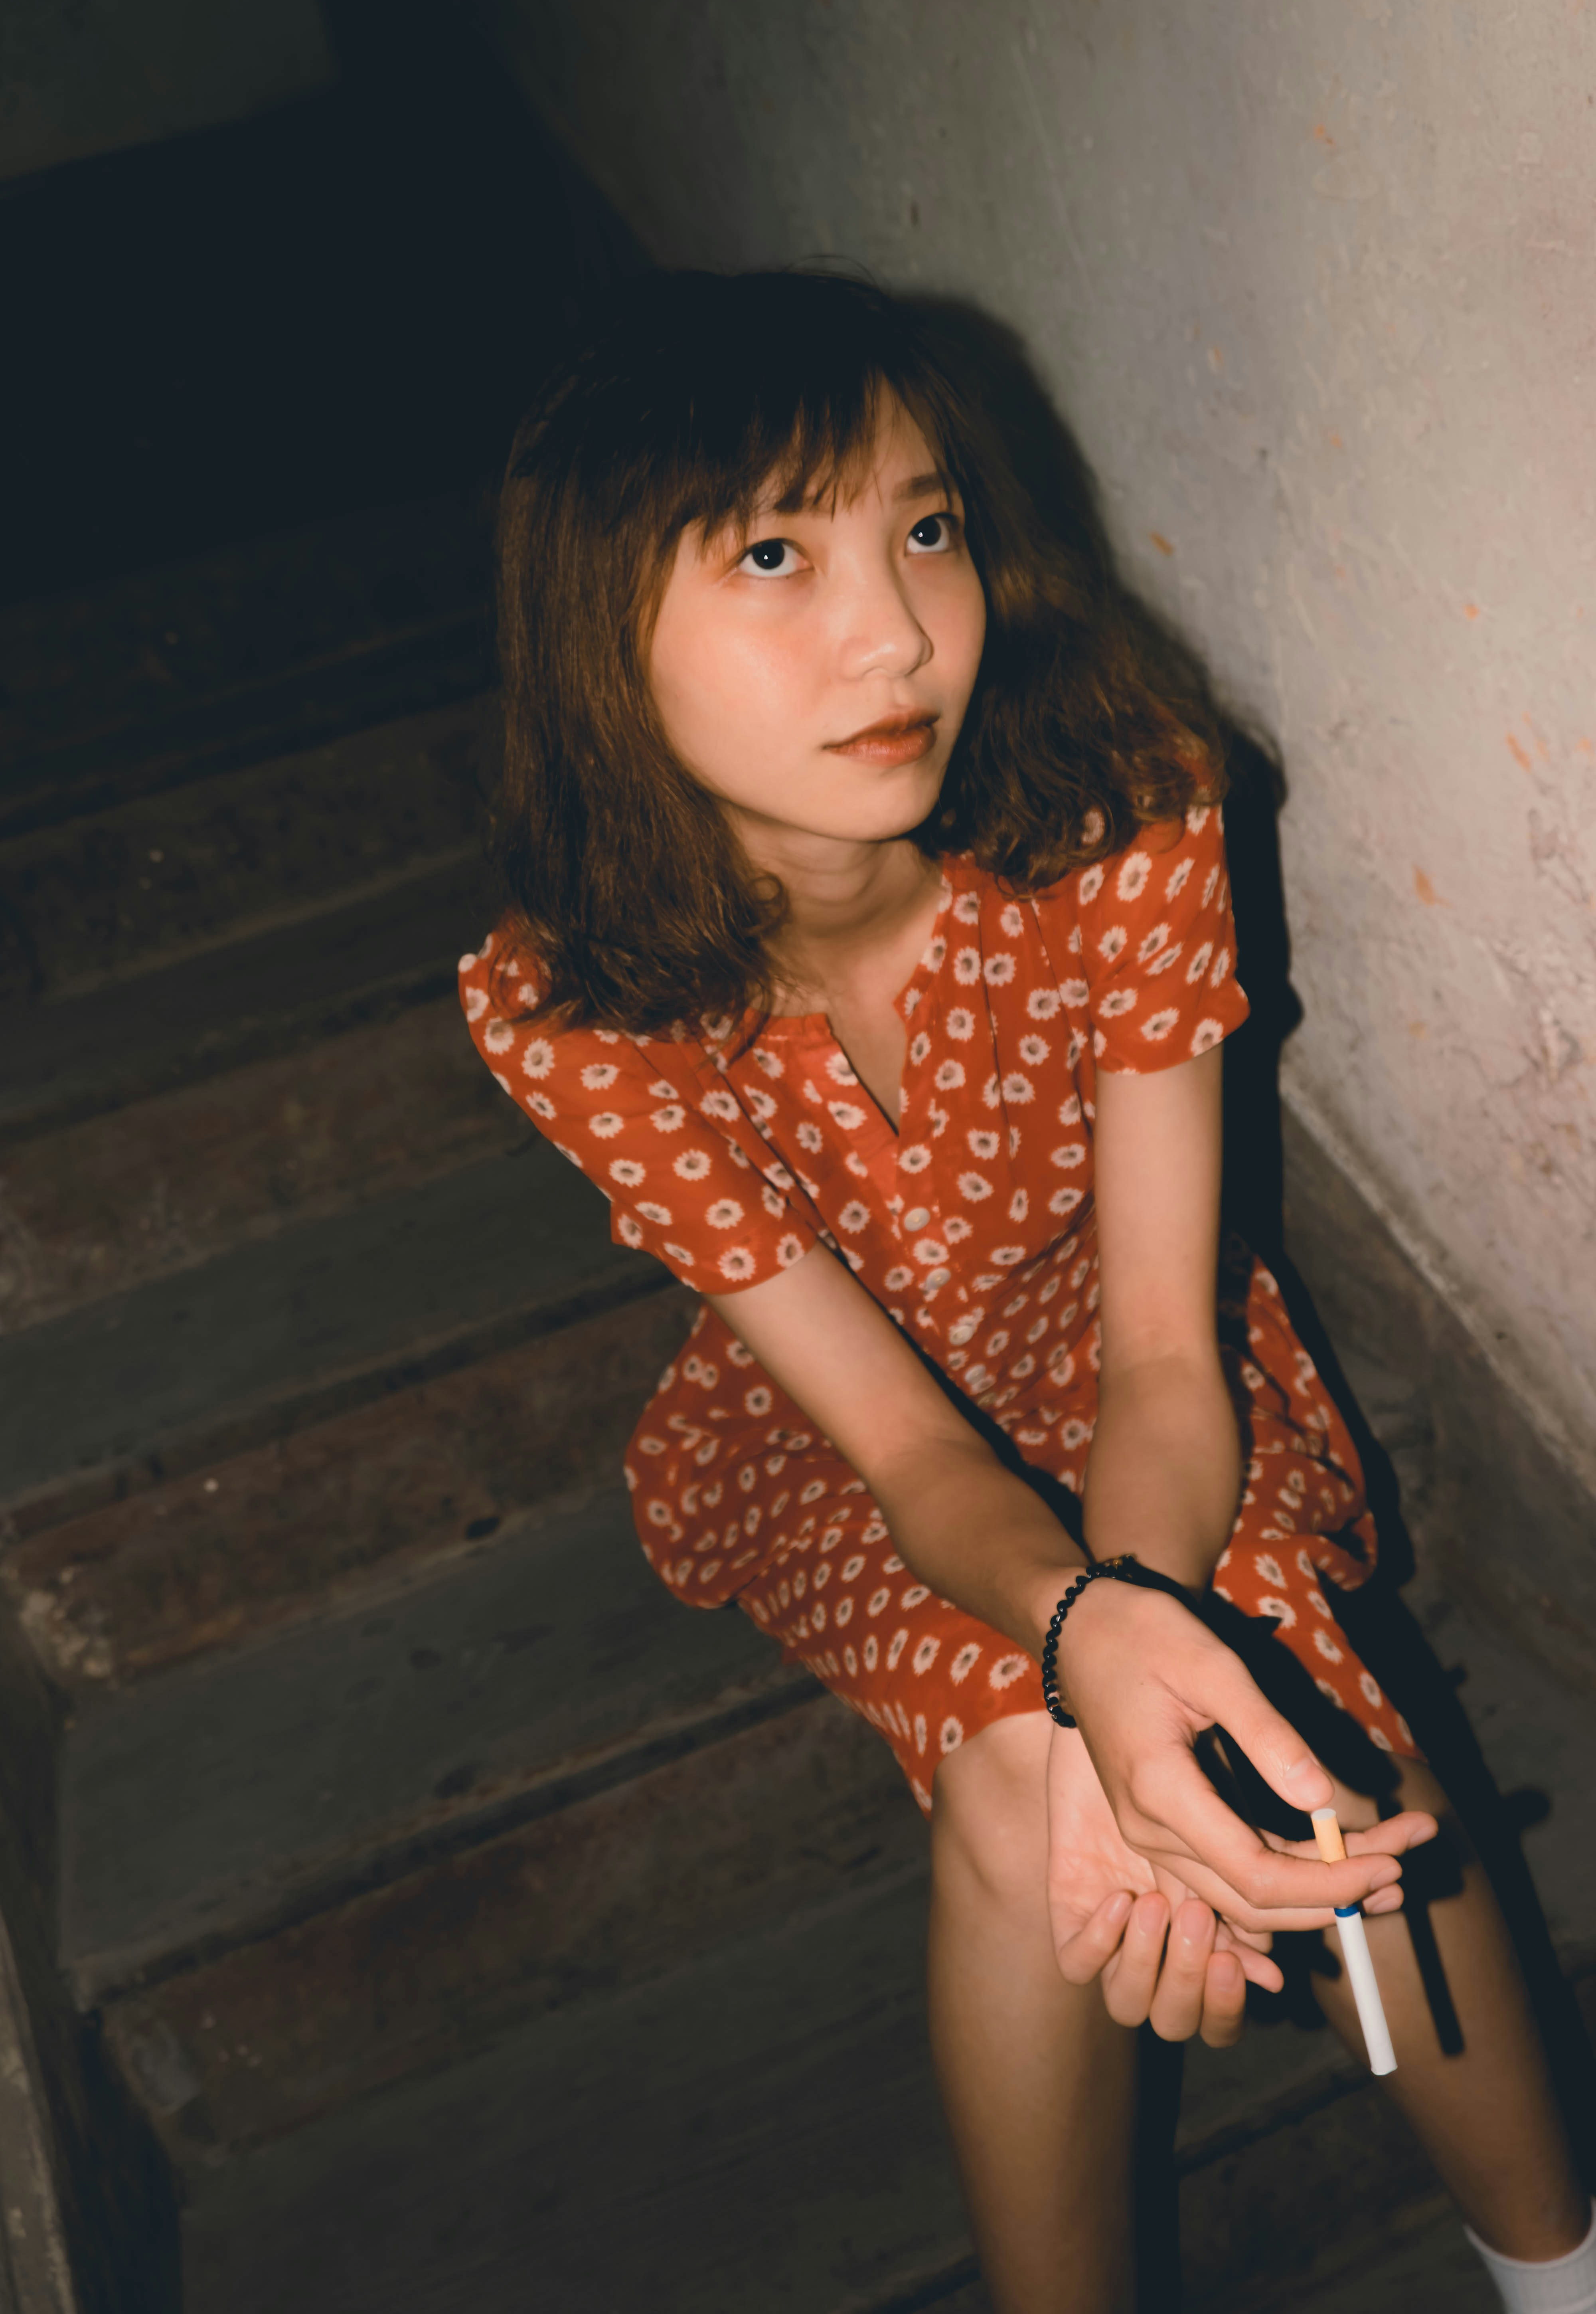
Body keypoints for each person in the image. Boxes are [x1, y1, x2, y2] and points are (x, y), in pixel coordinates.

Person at [460, 269, 1591, 2312]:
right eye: (777, 558)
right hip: (837, 1439)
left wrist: (1120, 1672)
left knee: (1264, 1757)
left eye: (926, 529)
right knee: (1059, 1758)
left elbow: (1161, 1348)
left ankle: (1559, 2275)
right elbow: (902, 1447)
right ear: (597, 636)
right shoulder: (566, 1007)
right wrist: (1083, 1670)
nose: (896, 633)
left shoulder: (1117, 805)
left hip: (1134, 1365)